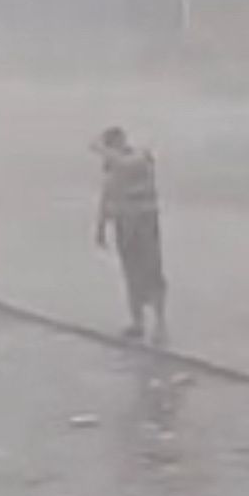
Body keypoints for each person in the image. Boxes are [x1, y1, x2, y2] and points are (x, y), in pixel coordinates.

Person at [93, 126, 167, 344]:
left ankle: (160, 323)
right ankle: (138, 322)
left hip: (144, 221)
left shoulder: (140, 157)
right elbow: (107, 195)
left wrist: (101, 150)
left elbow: (127, 166)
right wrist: (100, 226)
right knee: (131, 272)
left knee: (152, 270)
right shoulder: (112, 166)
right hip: (124, 223)